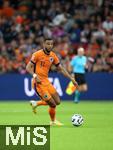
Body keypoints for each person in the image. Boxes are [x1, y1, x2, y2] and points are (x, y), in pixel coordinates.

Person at [26, 38, 78, 126]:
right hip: (38, 83)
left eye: (51, 44)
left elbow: (61, 69)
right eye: (48, 44)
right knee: (52, 104)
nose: (50, 45)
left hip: (46, 81)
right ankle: (53, 121)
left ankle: (36, 103)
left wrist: (71, 79)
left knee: (57, 102)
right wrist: (35, 76)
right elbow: (28, 67)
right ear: (44, 44)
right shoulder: (37, 54)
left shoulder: (53, 56)